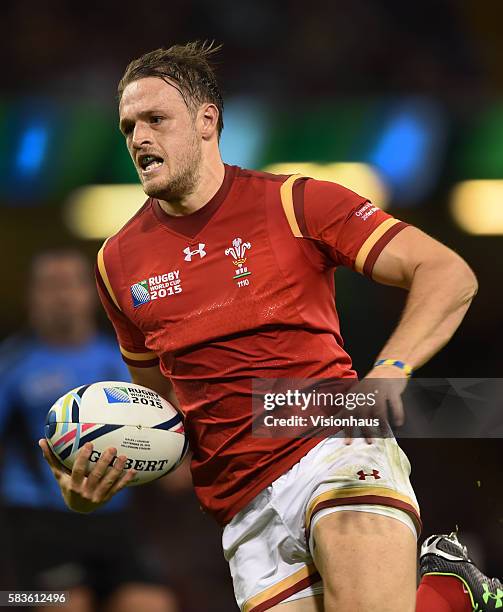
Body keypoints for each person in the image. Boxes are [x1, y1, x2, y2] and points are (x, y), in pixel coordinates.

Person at [39, 43, 501, 611]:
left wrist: (391, 368)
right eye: (128, 126)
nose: (138, 139)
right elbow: (164, 412)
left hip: (330, 438)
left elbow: (448, 273)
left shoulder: (294, 202)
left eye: (156, 120)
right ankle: (451, 590)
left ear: (207, 121)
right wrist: (105, 478)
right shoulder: (117, 263)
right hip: (238, 502)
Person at [0, 250, 178, 612]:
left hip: (113, 519)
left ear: (90, 293)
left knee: (153, 603)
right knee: (66, 604)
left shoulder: (124, 360)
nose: (62, 296)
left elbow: (160, 439)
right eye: (50, 285)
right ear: (31, 297)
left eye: (70, 284)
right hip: (38, 522)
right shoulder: (12, 364)